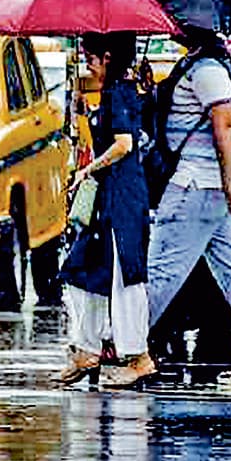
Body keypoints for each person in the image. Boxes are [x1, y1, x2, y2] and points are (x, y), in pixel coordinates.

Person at [146, 27, 231, 387]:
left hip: (195, 185)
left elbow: (224, 125)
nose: (172, 23)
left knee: (161, 270)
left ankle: (124, 347)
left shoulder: (207, 68)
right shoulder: (204, 63)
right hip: (208, 187)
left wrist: (228, 184)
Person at [59, 33, 153, 387]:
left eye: (92, 58)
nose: (89, 66)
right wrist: (83, 113)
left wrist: (88, 169)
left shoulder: (119, 92)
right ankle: (86, 348)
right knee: (84, 271)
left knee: (123, 277)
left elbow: (124, 144)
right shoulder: (117, 93)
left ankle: (138, 356)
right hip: (111, 198)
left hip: (122, 198)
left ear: (109, 56)